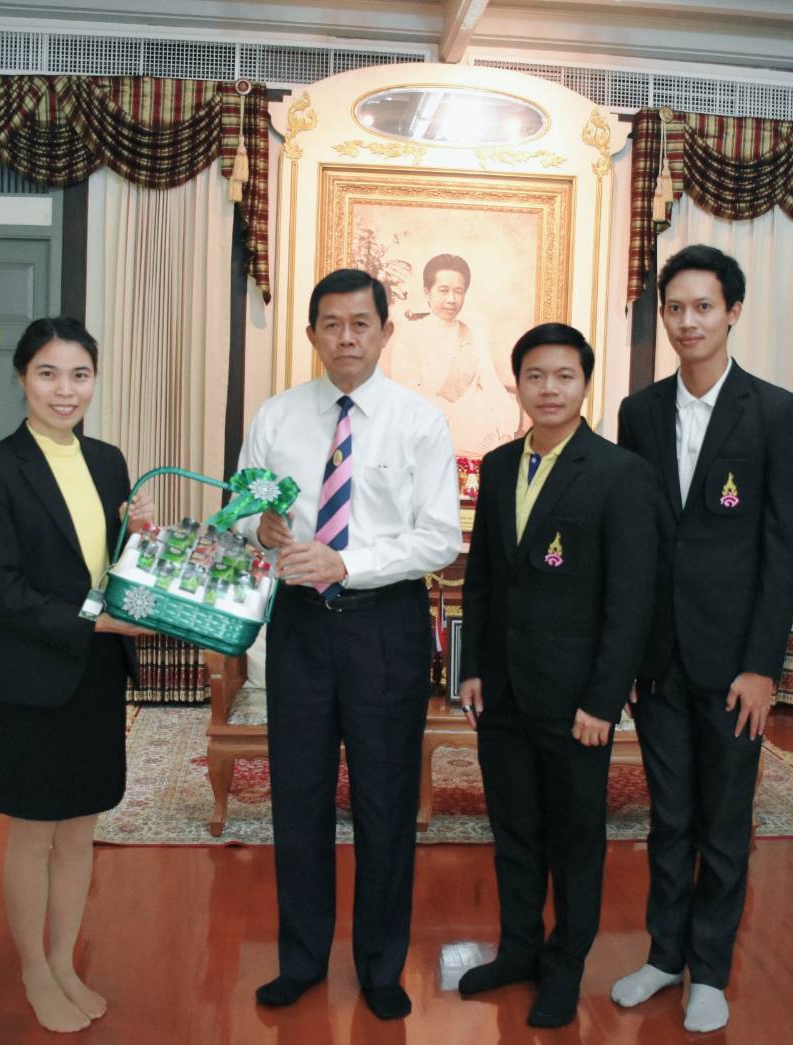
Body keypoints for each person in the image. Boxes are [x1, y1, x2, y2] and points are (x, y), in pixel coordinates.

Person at [238, 268, 462, 1020]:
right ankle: (301, 960)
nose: (345, 338)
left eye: (360, 324)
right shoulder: (277, 416)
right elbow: (241, 507)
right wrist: (259, 527)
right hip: (299, 625)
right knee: (297, 795)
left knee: (385, 799)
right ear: (311, 334)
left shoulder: (418, 421)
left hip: (383, 627)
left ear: (385, 332)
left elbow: (439, 537)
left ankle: (380, 966)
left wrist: (348, 563)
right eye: (330, 324)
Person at [612, 245, 793, 1033]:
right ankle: (664, 956)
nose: (686, 321)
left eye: (702, 306)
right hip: (660, 660)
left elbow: (783, 547)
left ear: (732, 311)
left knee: (724, 823)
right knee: (668, 818)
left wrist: (763, 666)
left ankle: (711, 970)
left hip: (734, 666)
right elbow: (634, 540)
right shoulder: (638, 412)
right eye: (674, 307)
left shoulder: (776, 412)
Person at [456, 323, 657, 1028]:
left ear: (585, 384)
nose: (549, 389)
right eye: (535, 376)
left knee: (575, 840)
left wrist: (603, 699)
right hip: (503, 693)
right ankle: (518, 949)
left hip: (577, 702)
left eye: (564, 376)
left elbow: (630, 599)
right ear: (517, 383)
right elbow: (483, 576)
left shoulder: (619, 472)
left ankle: (564, 967)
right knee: (513, 829)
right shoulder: (499, 465)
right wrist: (471, 667)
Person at [0, 317, 155, 1033]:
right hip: (33, 674)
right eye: (48, 373)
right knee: (34, 834)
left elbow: (111, 567)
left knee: (79, 832)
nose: (64, 390)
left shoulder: (108, 461)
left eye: (79, 374)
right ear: (22, 378)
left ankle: (63, 959)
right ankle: (34, 970)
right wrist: (96, 621)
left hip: (96, 674)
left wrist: (142, 538)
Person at [387, 253, 521, 456]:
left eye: (458, 291)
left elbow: (492, 386)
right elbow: (407, 393)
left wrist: (505, 435)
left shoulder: (474, 335)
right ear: (427, 293)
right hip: (429, 436)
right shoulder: (410, 336)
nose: (451, 299)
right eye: (443, 290)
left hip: (477, 438)